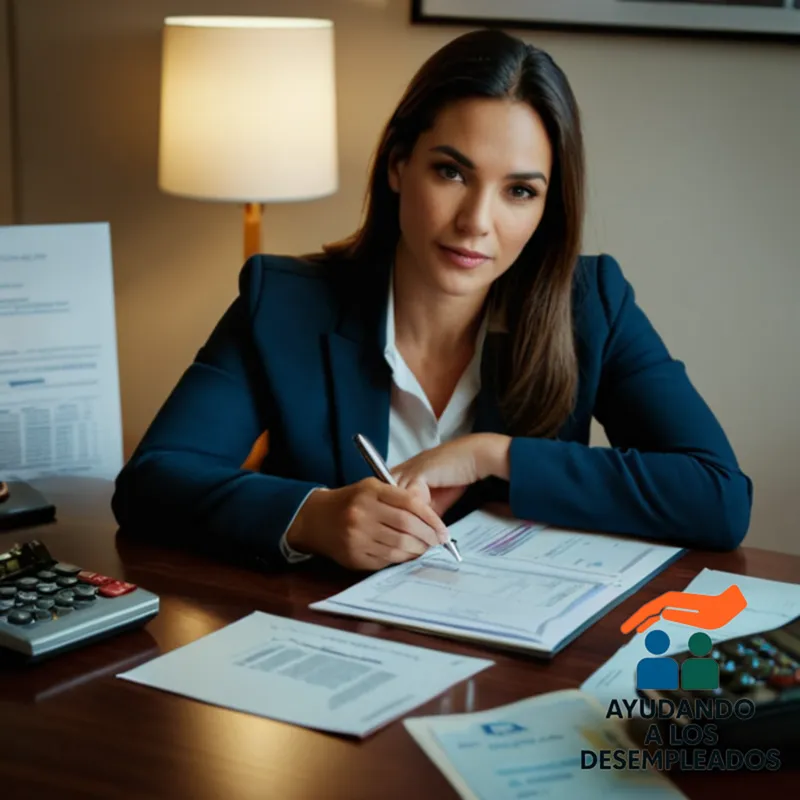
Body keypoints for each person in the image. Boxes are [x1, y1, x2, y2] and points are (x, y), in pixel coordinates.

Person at [111, 29, 753, 572]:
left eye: (519, 192)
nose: (477, 221)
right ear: (398, 165)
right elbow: (152, 482)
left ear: (547, 206)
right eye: (452, 171)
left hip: (514, 663)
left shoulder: (594, 305)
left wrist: (492, 454)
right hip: (328, 652)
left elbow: (720, 498)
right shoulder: (284, 302)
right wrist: (310, 517)